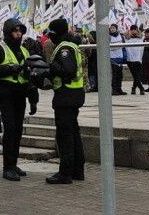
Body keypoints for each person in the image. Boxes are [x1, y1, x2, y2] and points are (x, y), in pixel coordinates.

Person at [0, 18, 38, 181]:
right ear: (8, 32)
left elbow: (28, 75)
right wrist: (9, 68)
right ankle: (7, 167)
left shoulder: (24, 50)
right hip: (5, 94)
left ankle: (13, 164)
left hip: (19, 95)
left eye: (20, 31)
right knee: (10, 130)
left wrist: (33, 97)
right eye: (15, 31)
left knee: (18, 130)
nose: (18, 34)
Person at [45, 19, 85, 184]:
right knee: (73, 133)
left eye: (52, 34)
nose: (50, 37)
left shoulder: (64, 48)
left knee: (65, 136)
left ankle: (65, 173)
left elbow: (68, 70)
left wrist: (50, 67)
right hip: (72, 95)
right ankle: (77, 170)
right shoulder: (70, 45)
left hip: (66, 95)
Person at [124, 25, 145, 95]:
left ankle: (134, 88)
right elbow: (125, 34)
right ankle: (141, 88)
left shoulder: (140, 38)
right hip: (130, 59)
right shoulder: (127, 38)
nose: (133, 31)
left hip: (138, 59)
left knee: (137, 76)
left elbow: (142, 34)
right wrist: (128, 30)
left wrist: (138, 31)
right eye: (132, 29)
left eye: (134, 29)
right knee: (135, 75)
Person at [108, 25, 127, 95]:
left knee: (120, 74)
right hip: (113, 58)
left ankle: (119, 89)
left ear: (116, 29)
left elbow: (124, 47)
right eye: (111, 28)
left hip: (120, 57)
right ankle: (114, 90)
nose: (112, 29)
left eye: (114, 28)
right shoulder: (109, 37)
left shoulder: (121, 36)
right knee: (114, 75)